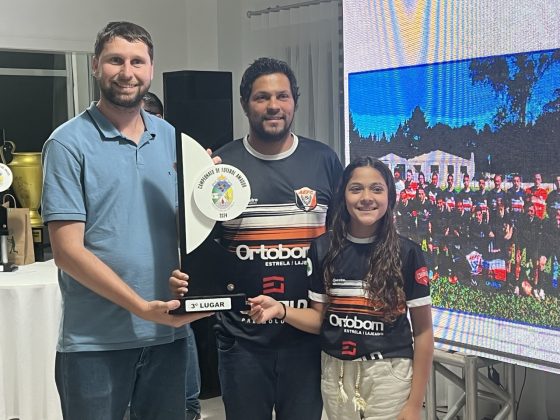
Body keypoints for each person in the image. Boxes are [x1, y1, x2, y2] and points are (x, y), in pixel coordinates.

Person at [41, 22, 210, 420]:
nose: (127, 72)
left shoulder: (172, 139)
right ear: (96, 66)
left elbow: (186, 229)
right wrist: (140, 308)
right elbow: (66, 252)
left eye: (137, 61)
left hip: (167, 333)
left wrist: (210, 195)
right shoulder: (67, 143)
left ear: (151, 69)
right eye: (115, 60)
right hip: (94, 343)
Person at [171, 57, 343, 420]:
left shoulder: (324, 160)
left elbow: (340, 244)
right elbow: (200, 248)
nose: (273, 105)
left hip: (307, 340)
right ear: (245, 104)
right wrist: (187, 184)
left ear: (295, 101)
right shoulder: (220, 167)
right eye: (262, 97)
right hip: (242, 342)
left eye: (282, 96)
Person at [248, 157, 433, 420]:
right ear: (343, 196)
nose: (366, 197)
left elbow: (423, 332)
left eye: (377, 189)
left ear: (390, 196)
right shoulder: (322, 248)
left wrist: (415, 404)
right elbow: (319, 319)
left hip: (389, 374)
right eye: (356, 188)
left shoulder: (408, 253)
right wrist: (281, 310)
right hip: (335, 374)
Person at [141, 91, 202, 420]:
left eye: (154, 119)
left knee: (186, 401)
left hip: (175, 292)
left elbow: (191, 225)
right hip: (130, 301)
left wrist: (201, 184)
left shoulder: (177, 154)